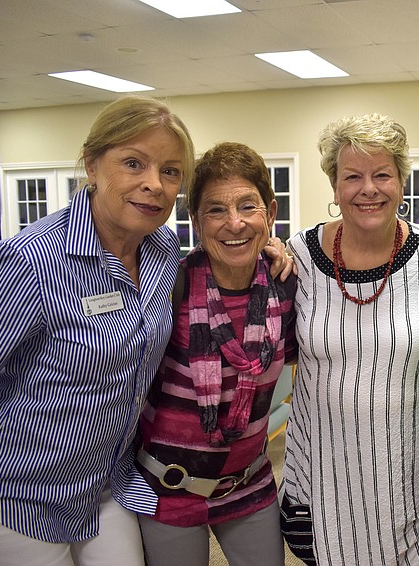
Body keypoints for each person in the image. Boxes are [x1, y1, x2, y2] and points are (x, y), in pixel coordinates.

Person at [0, 95, 196, 566]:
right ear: (92, 164)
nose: (154, 185)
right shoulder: (27, 262)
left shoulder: (163, 252)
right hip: (17, 500)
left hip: (106, 486)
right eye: (134, 163)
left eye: (170, 172)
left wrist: (268, 251)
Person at [278, 113, 419, 565]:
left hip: (410, 471)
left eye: (382, 174)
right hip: (326, 467)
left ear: (400, 181)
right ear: (334, 187)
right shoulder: (297, 256)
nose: (368, 188)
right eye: (352, 176)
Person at [128, 142, 297, 566]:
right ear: (196, 221)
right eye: (216, 210)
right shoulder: (167, 285)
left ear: (270, 213)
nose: (234, 223)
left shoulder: (288, 287)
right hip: (168, 487)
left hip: (249, 483)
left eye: (247, 206)